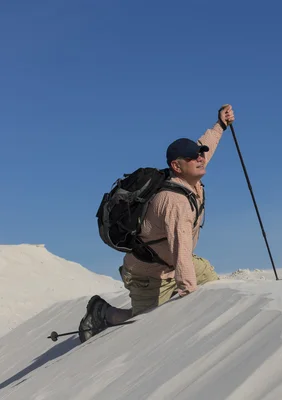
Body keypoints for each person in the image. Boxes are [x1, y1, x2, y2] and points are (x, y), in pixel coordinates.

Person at [78, 104, 235, 343]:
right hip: (148, 273)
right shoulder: (174, 202)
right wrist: (189, 295)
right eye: (192, 157)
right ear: (177, 166)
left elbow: (206, 146)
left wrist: (220, 125)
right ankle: (102, 312)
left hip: (173, 262)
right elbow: (181, 249)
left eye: (200, 154)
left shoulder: (187, 177)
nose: (200, 158)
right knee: (141, 323)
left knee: (215, 288)